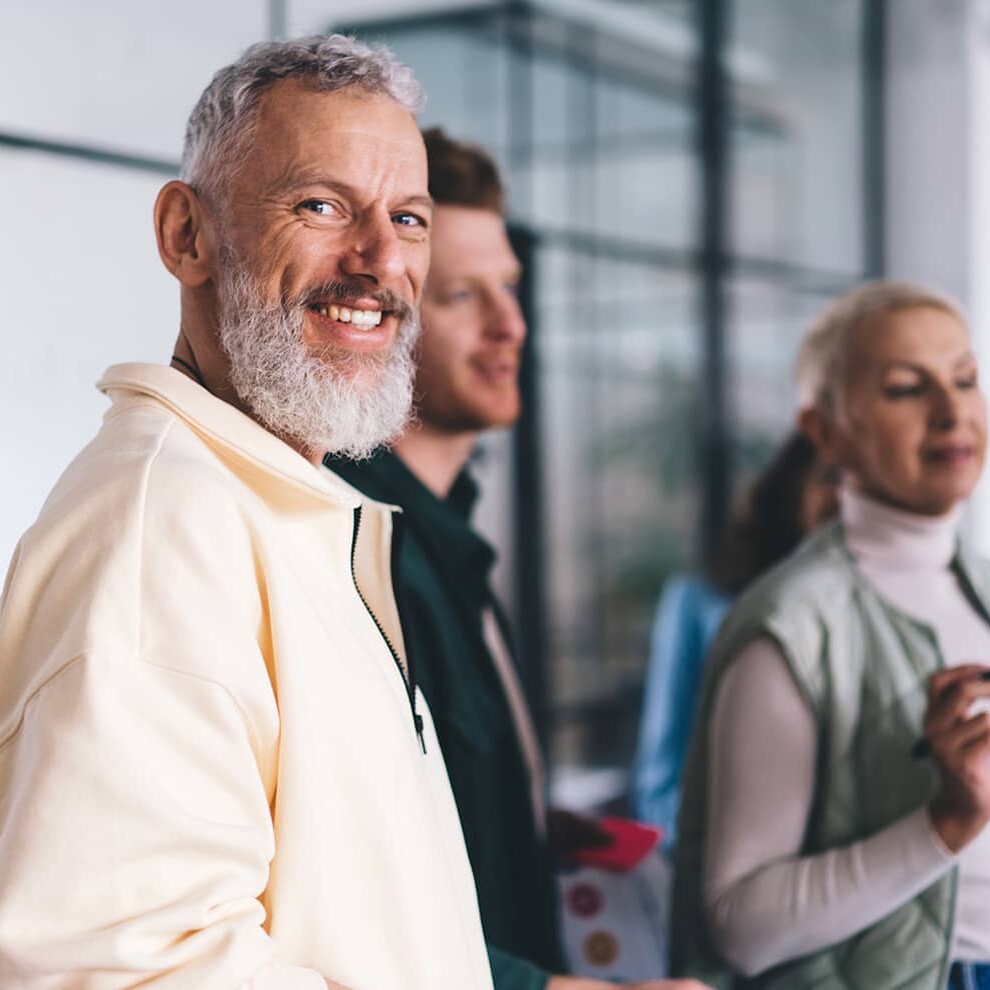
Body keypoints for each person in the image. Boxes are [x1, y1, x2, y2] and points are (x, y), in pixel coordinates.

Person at [0, 37, 494, 989]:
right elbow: (123, 966)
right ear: (187, 234)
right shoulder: (163, 532)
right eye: (321, 206)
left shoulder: (270, 508)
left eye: (409, 217)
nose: (381, 261)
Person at [329, 129, 710, 990]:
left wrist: (528, 820)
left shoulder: (451, 537)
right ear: (380, 315)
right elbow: (350, 893)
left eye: (510, 287)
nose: (513, 325)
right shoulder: (361, 547)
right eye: (465, 296)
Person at [672, 280, 990, 990]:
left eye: (966, 379)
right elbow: (741, 928)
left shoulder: (982, 590)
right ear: (825, 431)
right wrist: (943, 822)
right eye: (908, 388)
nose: (952, 411)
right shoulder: (790, 629)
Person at [632, 431, 838, 848]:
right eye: (831, 477)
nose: (849, 497)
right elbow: (658, 784)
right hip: (725, 862)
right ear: (792, 486)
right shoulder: (698, 604)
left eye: (865, 482)